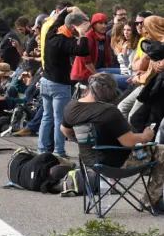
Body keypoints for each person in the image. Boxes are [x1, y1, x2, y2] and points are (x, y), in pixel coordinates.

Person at [61, 73, 164, 211]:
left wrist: (82, 142)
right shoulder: (108, 112)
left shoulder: (71, 107)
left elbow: (65, 130)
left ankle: (151, 199)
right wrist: (146, 135)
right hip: (116, 165)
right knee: (162, 152)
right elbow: (129, 142)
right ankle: (150, 200)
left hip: (89, 162)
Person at [40, 9, 91, 159]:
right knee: (58, 120)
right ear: (74, 27)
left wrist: (69, 9)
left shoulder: (52, 31)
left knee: (46, 117)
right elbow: (83, 51)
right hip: (59, 85)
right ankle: (58, 152)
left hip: (45, 81)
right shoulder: (65, 42)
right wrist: (82, 34)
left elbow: (60, 18)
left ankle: (42, 149)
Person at [71, 13, 119, 86]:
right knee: (124, 80)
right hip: (85, 74)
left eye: (105, 23)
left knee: (123, 71)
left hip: (99, 70)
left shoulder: (103, 38)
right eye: (100, 23)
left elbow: (107, 58)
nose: (104, 26)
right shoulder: (88, 37)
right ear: (94, 24)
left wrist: (108, 71)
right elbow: (86, 60)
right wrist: (96, 75)